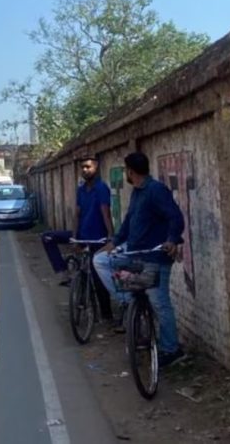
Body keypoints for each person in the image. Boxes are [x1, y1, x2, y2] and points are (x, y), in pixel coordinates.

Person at [93, 152, 185, 368]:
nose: (126, 174)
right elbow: (128, 222)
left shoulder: (155, 190)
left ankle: (172, 349)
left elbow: (176, 217)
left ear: (130, 171)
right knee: (102, 261)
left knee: (160, 303)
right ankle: (127, 302)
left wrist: (172, 240)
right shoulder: (137, 192)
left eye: (126, 170)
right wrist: (115, 242)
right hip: (134, 254)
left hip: (154, 256)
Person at [40, 157, 114, 288]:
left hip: (97, 239)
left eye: (88, 167)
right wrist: (74, 237)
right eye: (82, 167)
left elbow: (106, 214)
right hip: (81, 235)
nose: (85, 170)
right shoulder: (81, 189)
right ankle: (63, 272)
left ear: (96, 167)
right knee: (47, 237)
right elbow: (77, 214)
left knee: (96, 280)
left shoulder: (101, 188)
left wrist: (110, 237)